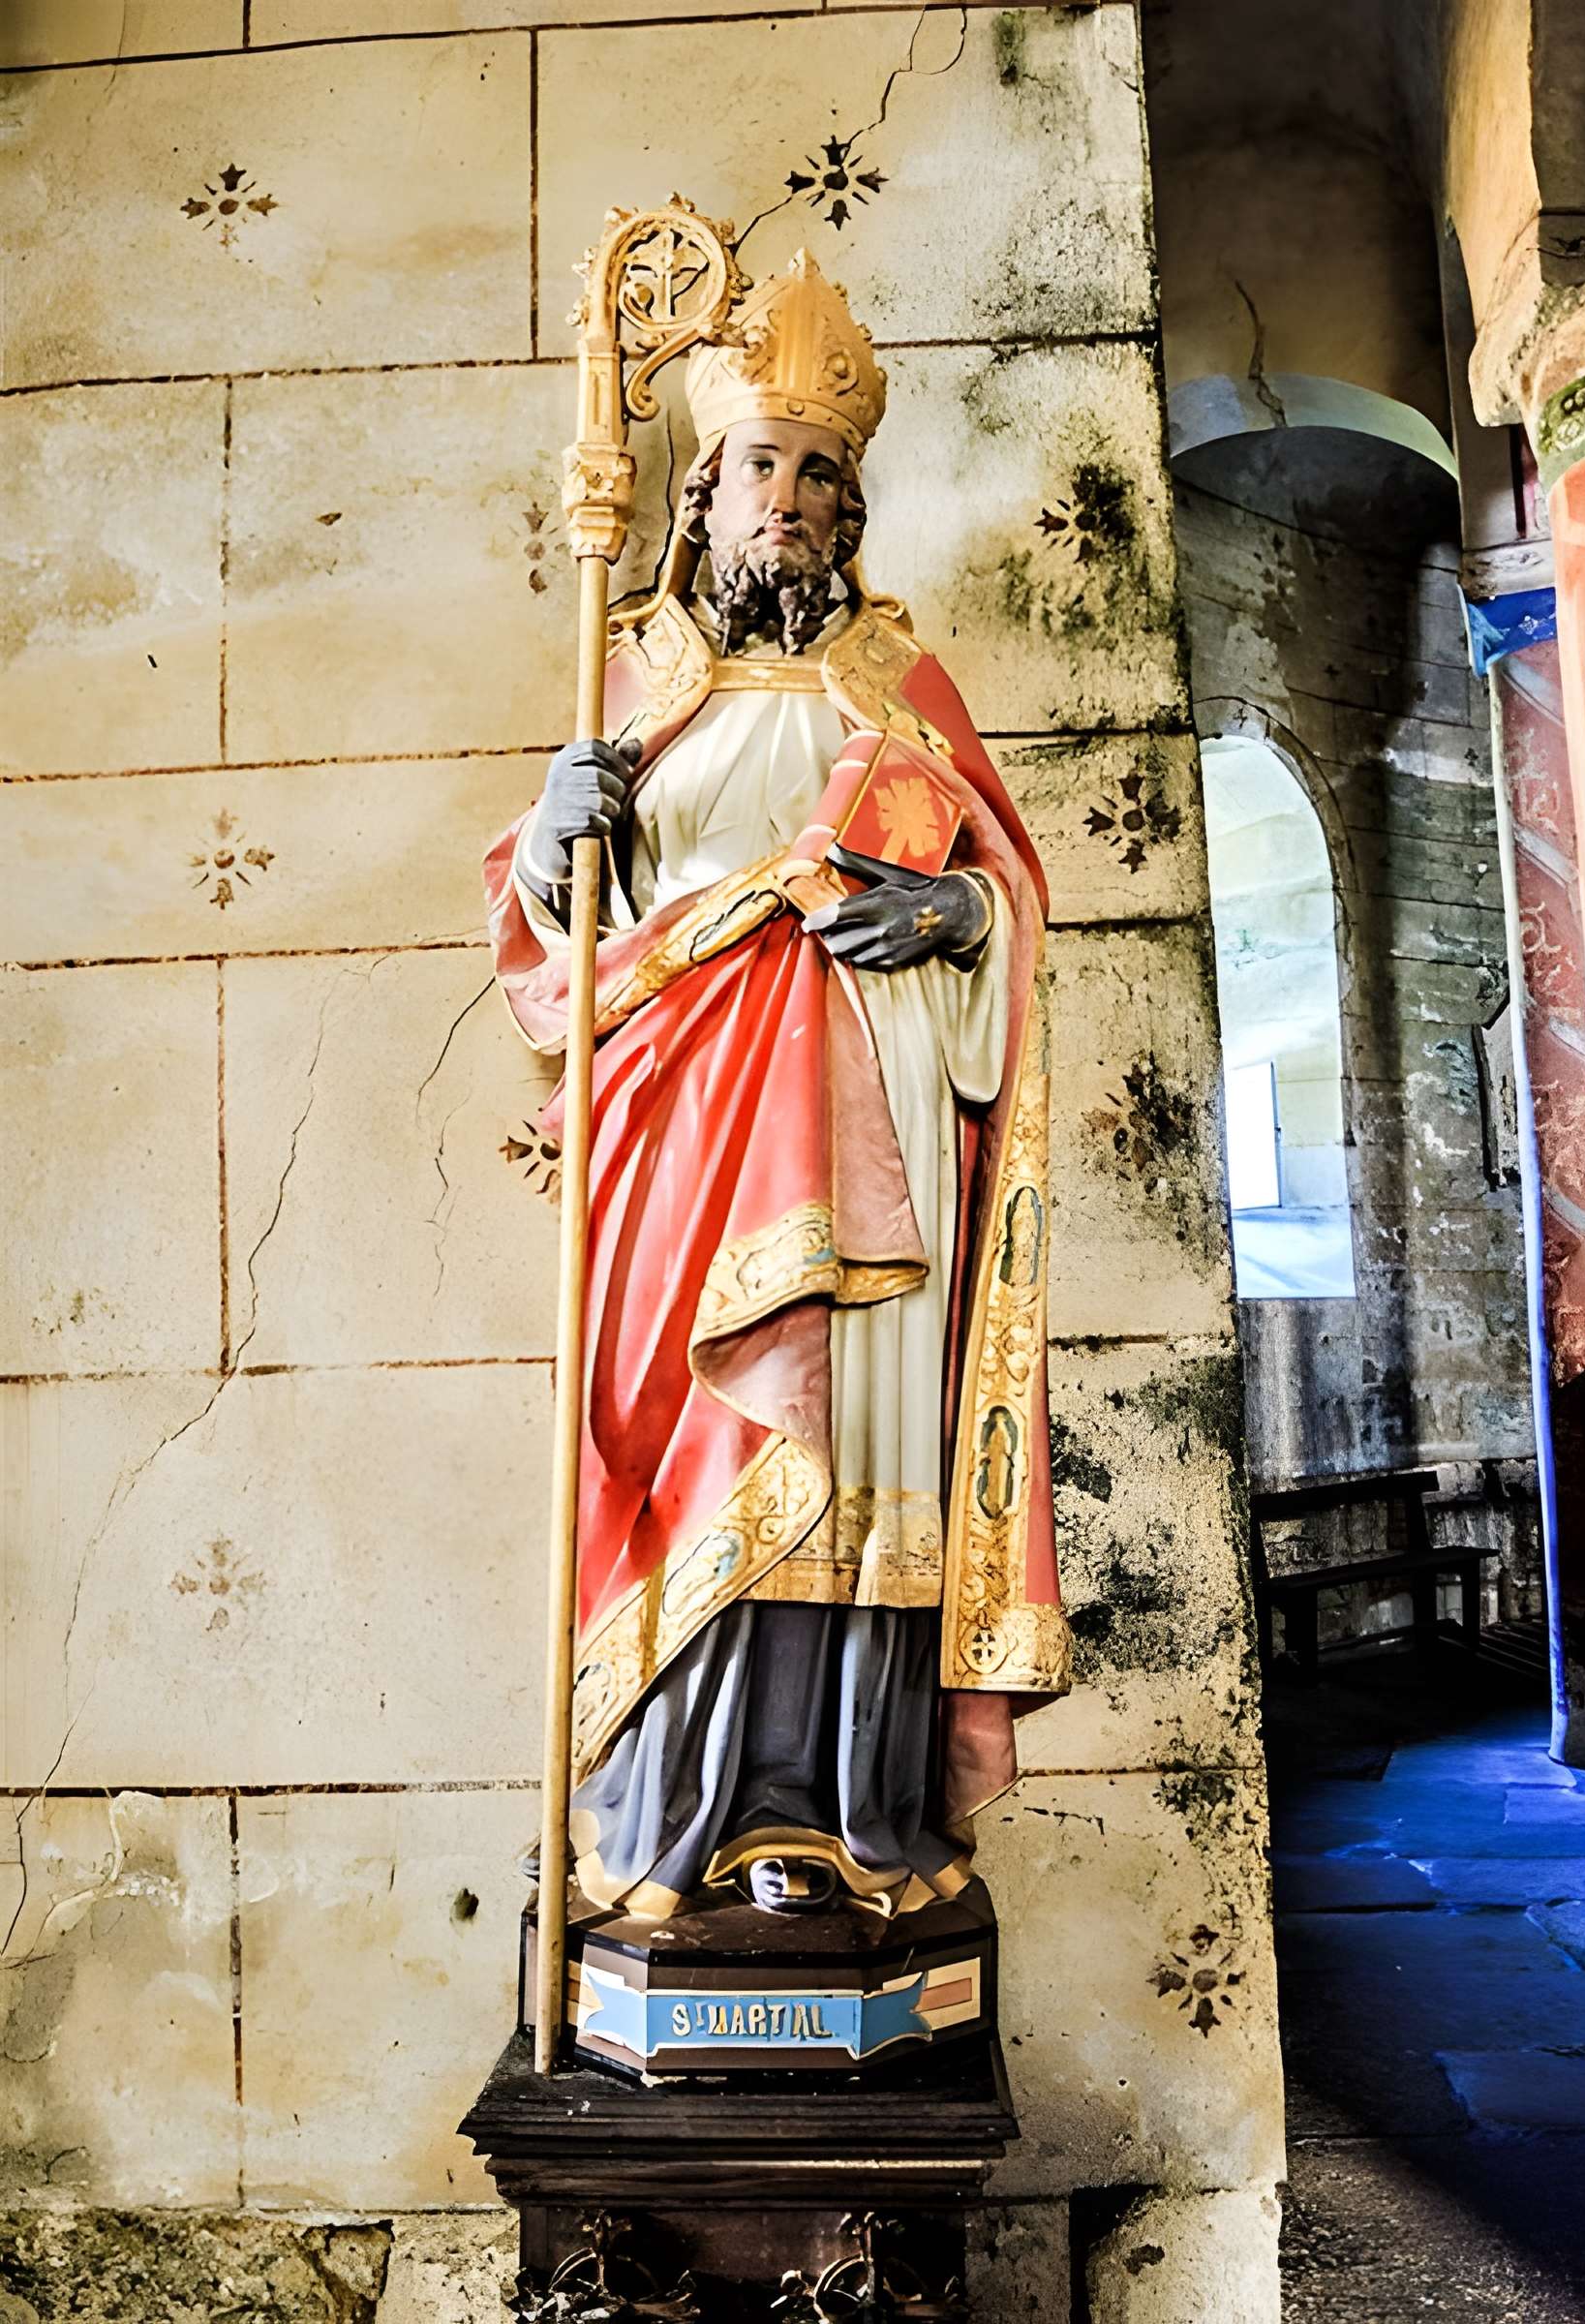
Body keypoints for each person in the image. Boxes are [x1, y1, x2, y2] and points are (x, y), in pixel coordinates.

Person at [485, 252, 1067, 1920]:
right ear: (704, 486)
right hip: (688, 1148)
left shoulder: (903, 684)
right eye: (763, 464)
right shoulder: (625, 686)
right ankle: (665, 1825)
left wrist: (961, 910)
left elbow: (1008, 892)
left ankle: (864, 1820)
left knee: (870, 1447)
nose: (795, 497)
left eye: (825, 472)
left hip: (887, 1141)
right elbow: (554, 955)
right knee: (698, 1436)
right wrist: (550, 840)